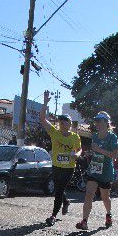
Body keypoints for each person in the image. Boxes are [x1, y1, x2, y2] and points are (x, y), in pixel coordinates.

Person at [40, 90, 82, 226]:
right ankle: (66, 201)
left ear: (69, 124)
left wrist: (77, 154)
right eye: (60, 122)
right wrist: (45, 102)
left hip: (69, 167)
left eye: (65, 123)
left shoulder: (75, 137)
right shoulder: (54, 133)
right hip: (56, 166)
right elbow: (42, 119)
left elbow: (80, 149)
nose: (62, 125)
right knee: (59, 189)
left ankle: (52, 216)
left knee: (58, 191)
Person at [76, 111, 118, 230]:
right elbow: (95, 151)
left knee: (105, 197)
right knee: (89, 194)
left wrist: (99, 150)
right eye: (96, 121)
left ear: (106, 122)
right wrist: (90, 153)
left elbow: (114, 155)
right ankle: (84, 221)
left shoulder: (112, 137)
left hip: (106, 172)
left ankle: (109, 214)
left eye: (99, 121)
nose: (97, 123)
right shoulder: (94, 136)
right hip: (94, 170)